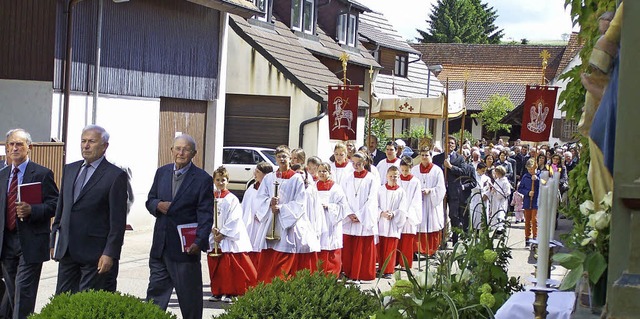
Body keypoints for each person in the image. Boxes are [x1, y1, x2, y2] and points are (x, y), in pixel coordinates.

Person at [51, 125, 128, 294]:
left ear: (105, 146)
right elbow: (61, 209)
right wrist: (54, 240)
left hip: (95, 254)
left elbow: (118, 221)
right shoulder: (70, 170)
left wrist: (110, 253)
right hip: (67, 250)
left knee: (87, 302)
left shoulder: (115, 176)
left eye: (91, 142)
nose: (85, 146)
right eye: (83, 141)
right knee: (62, 300)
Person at [145, 134, 214, 319]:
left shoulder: (202, 179)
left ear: (194, 153)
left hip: (185, 250)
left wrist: (199, 241)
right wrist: (157, 205)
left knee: (189, 300)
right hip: (160, 246)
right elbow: (150, 200)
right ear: (171, 150)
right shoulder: (162, 172)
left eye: (186, 149)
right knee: (154, 299)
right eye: (177, 148)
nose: (181, 153)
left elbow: (206, 214)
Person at [0, 129, 59, 319]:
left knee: (23, 292)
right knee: (13, 292)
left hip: (30, 241)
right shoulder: (2, 175)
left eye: (19, 144)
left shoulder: (42, 174)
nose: (14, 148)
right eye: (11, 144)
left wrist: (33, 210)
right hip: (6, 242)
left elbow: (55, 205)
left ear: (29, 147)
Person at [252, 145, 318, 283]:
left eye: (285, 156)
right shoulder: (269, 178)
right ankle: (266, 285)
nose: (282, 159)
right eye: (279, 156)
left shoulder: (296, 178)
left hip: (288, 223)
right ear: (275, 159)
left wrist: (281, 208)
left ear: (289, 159)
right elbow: (260, 197)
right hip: (271, 220)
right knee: (268, 257)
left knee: (285, 256)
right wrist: (269, 203)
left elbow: (300, 203)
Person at [207, 166, 257, 303]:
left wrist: (222, 233)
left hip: (228, 238)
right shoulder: (209, 197)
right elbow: (206, 215)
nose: (220, 182)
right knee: (216, 265)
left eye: (223, 180)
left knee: (230, 267)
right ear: (214, 181)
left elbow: (234, 218)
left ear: (227, 181)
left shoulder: (232, 199)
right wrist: (212, 229)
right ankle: (217, 291)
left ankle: (232, 292)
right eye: (217, 180)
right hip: (214, 235)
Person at [342, 152, 379, 282]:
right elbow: (343, 197)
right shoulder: (347, 178)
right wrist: (349, 213)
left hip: (363, 218)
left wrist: (360, 215)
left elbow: (372, 199)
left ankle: (362, 273)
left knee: (362, 247)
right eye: (353, 164)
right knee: (349, 247)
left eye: (359, 164)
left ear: (364, 163)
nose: (356, 166)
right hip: (350, 217)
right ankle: (348, 272)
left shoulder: (371, 178)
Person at [308, 162, 348, 276]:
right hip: (317, 221)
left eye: (324, 171)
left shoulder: (336, 188)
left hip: (330, 221)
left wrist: (329, 207)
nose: (321, 173)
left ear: (330, 172)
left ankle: (331, 274)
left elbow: (343, 206)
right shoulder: (313, 186)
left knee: (330, 248)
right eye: (319, 171)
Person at [433, 137, 475, 244]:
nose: (449, 145)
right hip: (441, 190)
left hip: (454, 191)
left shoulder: (459, 158)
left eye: (452, 143)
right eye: (447, 142)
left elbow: (463, 172)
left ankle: (455, 240)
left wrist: (451, 167)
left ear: (455, 145)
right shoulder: (437, 158)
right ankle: (442, 239)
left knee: (454, 216)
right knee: (441, 215)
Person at [411, 148, 445, 256]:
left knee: (432, 224)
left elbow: (441, 188)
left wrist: (430, 191)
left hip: (431, 202)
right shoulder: (415, 170)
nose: (424, 157)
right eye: (422, 155)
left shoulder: (437, 170)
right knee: (419, 224)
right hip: (419, 201)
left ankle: (432, 250)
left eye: (426, 155)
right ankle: (419, 250)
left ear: (431, 156)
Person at [376, 166, 407, 279]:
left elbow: (403, 208)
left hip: (393, 223)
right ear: (386, 176)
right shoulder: (380, 190)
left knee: (391, 247)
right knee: (381, 246)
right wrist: (381, 213)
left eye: (395, 176)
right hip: (382, 221)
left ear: (399, 177)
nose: (393, 178)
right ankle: (380, 268)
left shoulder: (401, 191)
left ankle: (388, 270)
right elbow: (375, 205)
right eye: (391, 176)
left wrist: (393, 214)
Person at [241, 162, 273, 266]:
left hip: (262, 223)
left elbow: (270, 202)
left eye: (258, 171)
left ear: (265, 174)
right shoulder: (252, 187)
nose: (255, 173)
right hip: (250, 224)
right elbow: (245, 205)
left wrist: (260, 214)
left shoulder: (270, 189)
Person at [396, 157, 422, 268]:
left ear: (411, 168)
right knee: (397, 239)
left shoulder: (415, 181)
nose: (404, 173)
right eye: (402, 170)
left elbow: (416, 199)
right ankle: (395, 261)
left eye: (407, 170)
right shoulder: (397, 179)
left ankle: (405, 263)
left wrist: (408, 213)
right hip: (398, 214)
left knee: (407, 241)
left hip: (409, 215)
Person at [518, 159, 540, 247]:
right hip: (527, 201)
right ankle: (527, 238)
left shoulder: (540, 175)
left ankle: (535, 237)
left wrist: (537, 179)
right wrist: (527, 192)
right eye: (529, 169)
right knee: (527, 221)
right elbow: (520, 189)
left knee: (534, 220)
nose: (531, 171)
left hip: (536, 201)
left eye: (532, 169)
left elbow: (544, 185)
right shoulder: (525, 177)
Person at [488, 166, 511, 234]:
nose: (496, 174)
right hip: (495, 200)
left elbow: (506, 192)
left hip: (501, 201)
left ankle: (500, 229)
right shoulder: (497, 180)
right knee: (495, 214)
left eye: (497, 173)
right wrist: (492, 190)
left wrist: (496, 191)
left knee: (500, 214)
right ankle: (495, 228)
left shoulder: (505, 182)